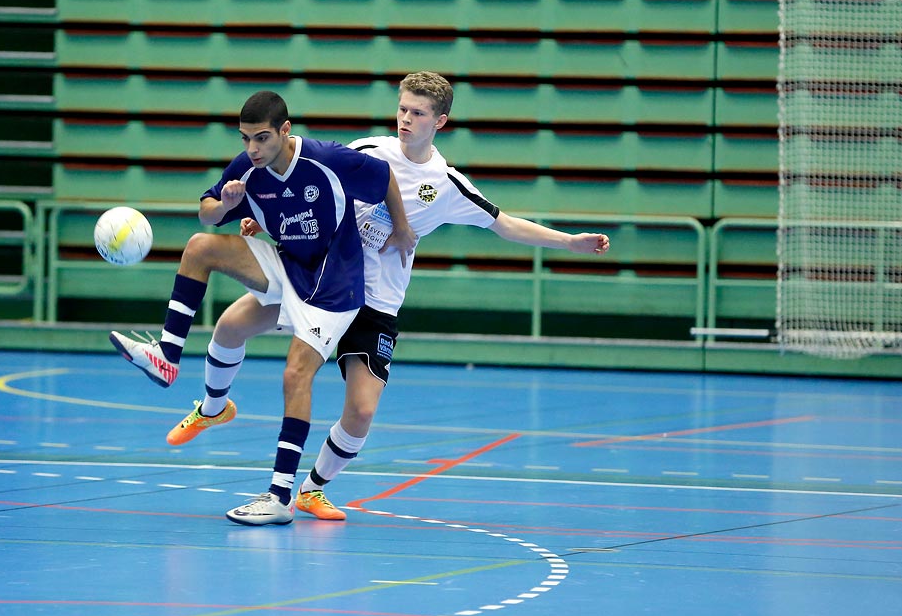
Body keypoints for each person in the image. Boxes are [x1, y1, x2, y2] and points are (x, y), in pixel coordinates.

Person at [159, 71, 611, 522]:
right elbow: (305, 190)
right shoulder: (367, 149)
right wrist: (265, 218)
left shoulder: (447, 184)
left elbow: (505, 224)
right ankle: (213, 408)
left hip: (375, 303)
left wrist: (570, 242)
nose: (406, 119)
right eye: (402, 109)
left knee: (360, 410)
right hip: (318, 276)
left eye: (418, 113)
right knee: (232, 325)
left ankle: (312, 489)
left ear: (441, 122)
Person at [108, 89, 416, 526]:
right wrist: (227, 205)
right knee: (203, 255)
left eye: (262, 138)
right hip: (289, 266)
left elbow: (383, 176)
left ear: (285, 131)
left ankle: (280, 497)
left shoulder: (326, 160)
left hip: (334, 286)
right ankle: (170, 360)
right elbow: (207, 214)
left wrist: (402, 229)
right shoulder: (248, 168)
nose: (252, 149)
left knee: (295, 373)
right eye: (245, 138)